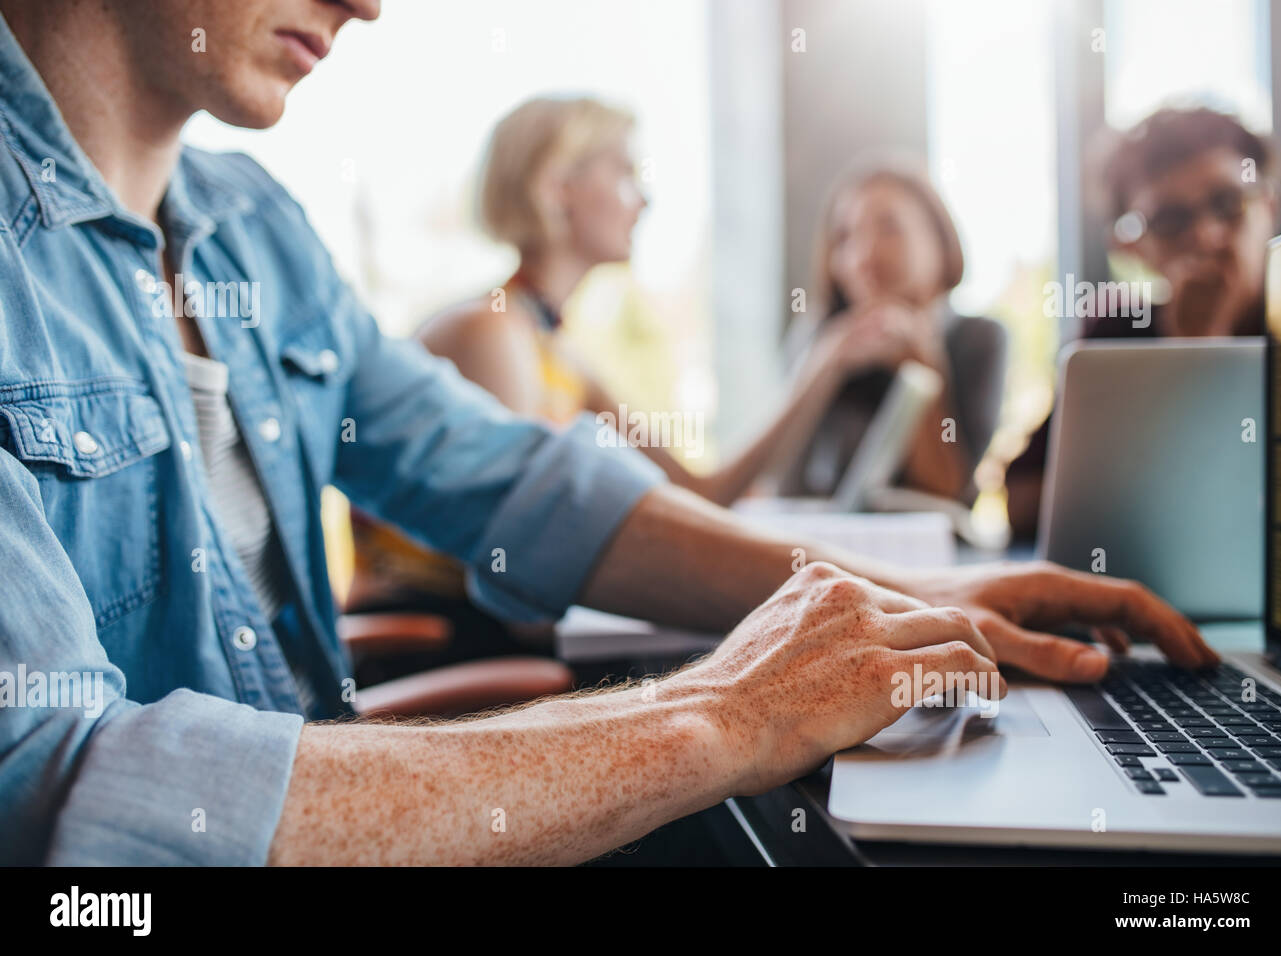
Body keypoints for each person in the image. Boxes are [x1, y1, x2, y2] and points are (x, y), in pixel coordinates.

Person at [0, 0, 1216, 867]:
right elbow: (61, 792)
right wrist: (717, 710)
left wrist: (934, 589)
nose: (369, 5)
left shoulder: (255, 228)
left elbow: (537, 489)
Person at [348, 97, 927, 638]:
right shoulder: (492, 332)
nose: (643, 200)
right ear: (557, 189)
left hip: (502, 630)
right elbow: (516, 542)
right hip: (451, 635)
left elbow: (702, 492)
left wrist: (824, 368)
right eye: (624, 173)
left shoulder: (560, 353)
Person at [1005, 107, 1281, 539]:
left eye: (1227, 203)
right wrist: (1190, 354)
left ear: (1270, 205)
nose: (1206, 236)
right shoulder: (1115, 333)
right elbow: (1023, 501)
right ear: (1130, 247)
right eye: (1171, 220)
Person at [779, 159, 1007, 504]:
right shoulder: (819, 339)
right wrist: (825, 367)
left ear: (940, 243)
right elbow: (775, 481)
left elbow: (948, 492)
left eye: (889, 229)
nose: (863, 255)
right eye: (844, 237)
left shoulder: (977, 339)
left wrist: (920, 365)